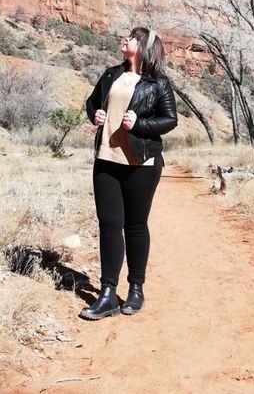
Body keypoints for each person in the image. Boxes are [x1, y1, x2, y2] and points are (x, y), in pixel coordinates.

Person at [80, 26, 177, 320]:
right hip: (106, 159)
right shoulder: (111, 74)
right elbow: (92, 102)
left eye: (133, 38)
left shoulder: (158, 83)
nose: (126, 40)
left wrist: (140, 124)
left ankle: (136, 289)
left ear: (145, 47)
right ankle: (107, 294)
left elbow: (169, 120)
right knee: (109, 225)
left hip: (141, 162)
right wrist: (95, 114)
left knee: (135, 225)